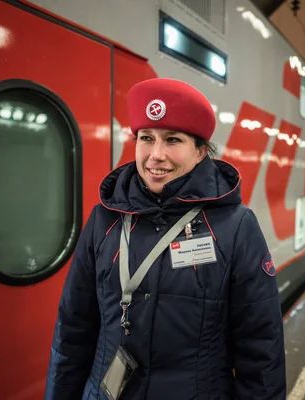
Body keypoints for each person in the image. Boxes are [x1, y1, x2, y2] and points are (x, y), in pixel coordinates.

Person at [45, 78, 286, 399]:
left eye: (172, 140)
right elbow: (73, 329)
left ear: (201, 151)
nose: (155, 155)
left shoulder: (235, 226)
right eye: (146, 138)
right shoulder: (105, 220)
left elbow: (260, 346)